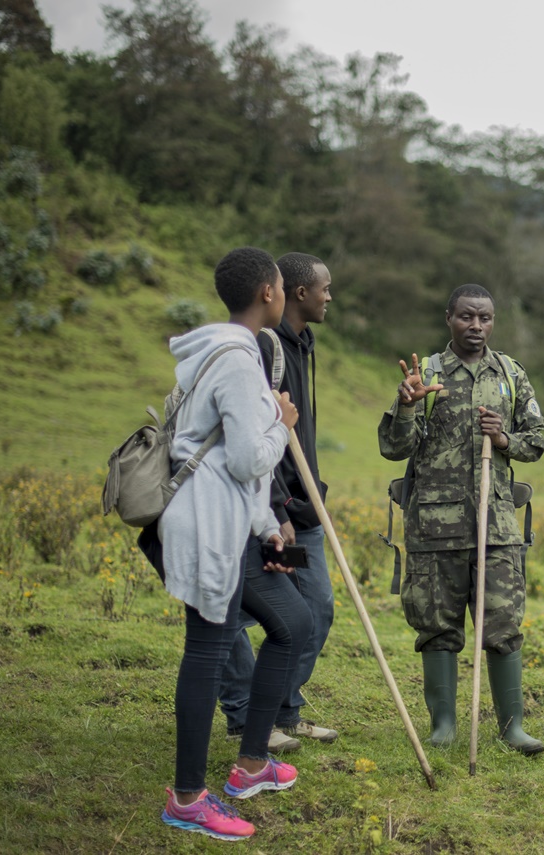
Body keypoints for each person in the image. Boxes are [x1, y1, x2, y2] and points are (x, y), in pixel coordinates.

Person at [158, 247, 313, 841]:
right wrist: (283, 425)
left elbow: (229, 459)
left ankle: (251, 767)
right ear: (270, 293)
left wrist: (266, 526)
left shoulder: (225, 353)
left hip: (232, 524)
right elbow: (251, 455)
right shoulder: (238, 364)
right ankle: (188, 799)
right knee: (208, 649)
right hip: (208, 526)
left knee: (293, 621)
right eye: (279, 283)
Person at [377, 283, 544, 755]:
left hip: (497, 528)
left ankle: (511, 728)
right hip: (435, 528)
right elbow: (394, 447)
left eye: (485, 318)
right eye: (467, 317)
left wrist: (506, 439)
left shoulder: (511, 374)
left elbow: (536, 440)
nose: (477, 326)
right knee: (436, 625)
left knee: (504, 626)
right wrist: (408, 405)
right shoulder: (426, 374)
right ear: (449, 317)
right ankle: (444, 725)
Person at [219, 252, 338, 753]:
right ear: (297, 291)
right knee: (245, 615)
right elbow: (257, 439)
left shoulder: (301, 345)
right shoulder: (266, 349)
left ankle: (283, 710)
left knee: (315, 608)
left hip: (304, 510)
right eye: (325, 288)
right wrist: (279, 509)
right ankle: (249, 714)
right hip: (277, 515)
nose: (330, 296)